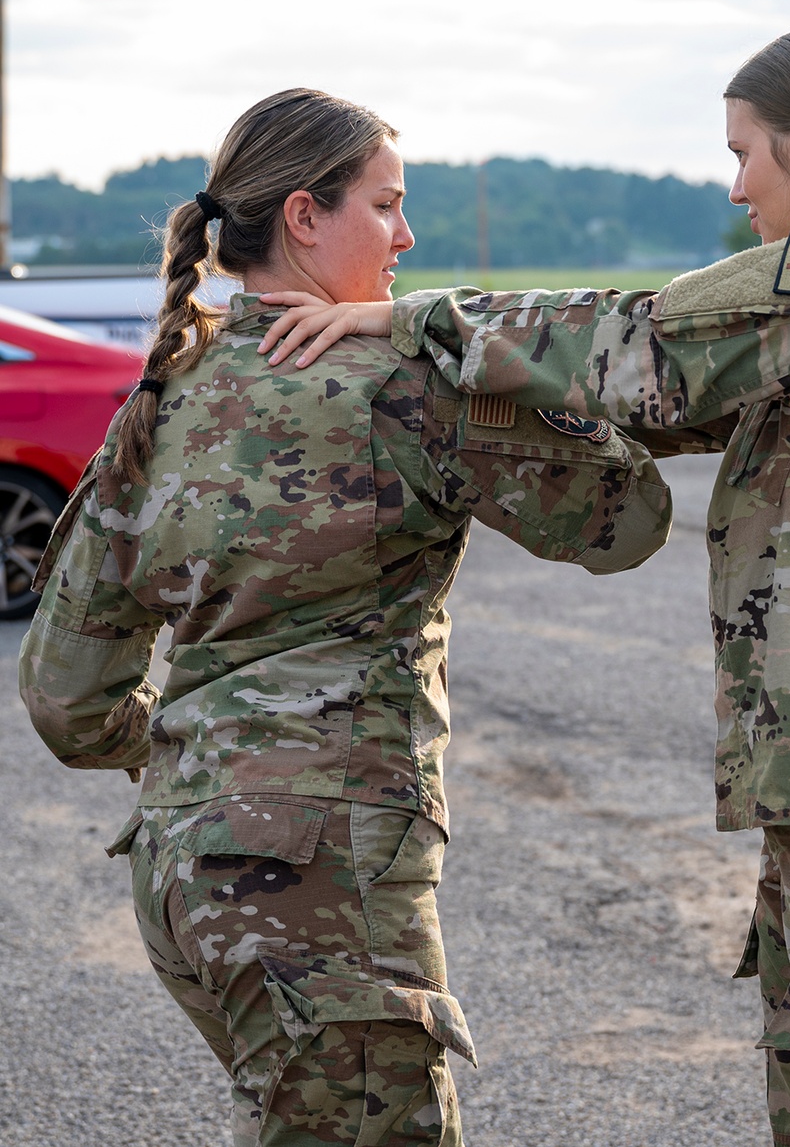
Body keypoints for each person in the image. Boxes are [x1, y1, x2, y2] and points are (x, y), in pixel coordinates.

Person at [255, 18, 790, 1147]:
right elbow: (644, 402)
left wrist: (405, 319)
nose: (738, 186)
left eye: (745, 152)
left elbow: (636, 340)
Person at [17, 87, 678, 1147]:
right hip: (315, 884)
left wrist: (215, 761)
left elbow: (64, 698)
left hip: (184, 872)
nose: (407, 235)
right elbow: (627, 516)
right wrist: (461, 336)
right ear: (302, 217)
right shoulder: (402, 381)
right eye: (386, 203)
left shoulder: (162, 396)